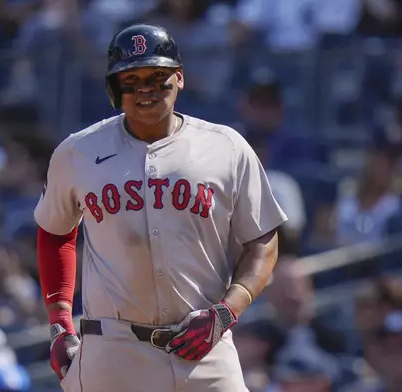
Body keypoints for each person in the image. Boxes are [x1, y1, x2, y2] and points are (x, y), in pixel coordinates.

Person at [34, 24, 287, 392]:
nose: (146, 89)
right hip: (112, 350)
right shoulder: (78, 152)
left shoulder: (226, 147)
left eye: (158, 76)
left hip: (204, 347)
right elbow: (56, 234)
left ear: (179, 79)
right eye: (131, 79)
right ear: (113, 88)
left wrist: (227, 311)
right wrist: (59, 324)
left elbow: (263, 241)